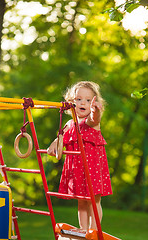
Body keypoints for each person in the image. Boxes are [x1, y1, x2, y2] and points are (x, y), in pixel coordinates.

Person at [47, 81, 112, 231]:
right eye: (79, 99)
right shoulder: (70, 123)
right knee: (81, 201)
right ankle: (83, 228)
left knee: (93, 201)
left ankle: (94, 229)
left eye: (89, 100)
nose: (83, 103)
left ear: (94, 103)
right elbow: (58, 141)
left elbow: (95, 118)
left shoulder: (91, 123)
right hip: (77, 169)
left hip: (92, 168)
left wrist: (96, 110)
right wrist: (52, 147)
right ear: (71, 102)